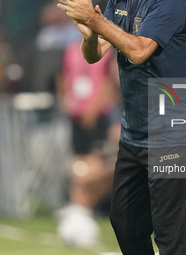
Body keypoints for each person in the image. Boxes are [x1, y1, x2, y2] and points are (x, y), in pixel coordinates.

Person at [56, 0, 186, 254]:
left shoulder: (169, 4)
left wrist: (94, 19)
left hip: (171, 132)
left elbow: (139, 50)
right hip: (133, 131)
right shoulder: (119, 2)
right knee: (125, 222)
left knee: (169, 236)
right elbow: (95, 53)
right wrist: (90, 35)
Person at [56, 41, 117, 247]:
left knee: (95, 162)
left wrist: (94, 108)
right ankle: (79, 208)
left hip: (99, 116)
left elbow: (109, 82)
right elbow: (63, 75)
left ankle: (81, 207)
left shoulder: (108, 49)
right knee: (80, 162)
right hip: (76, 115)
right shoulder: (71, 48)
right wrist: (66, 99)